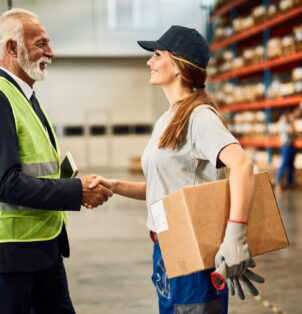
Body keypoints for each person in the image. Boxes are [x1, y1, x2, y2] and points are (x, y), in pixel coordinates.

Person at [88, 25, 264, 313]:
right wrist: (116, 186)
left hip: (192, 245)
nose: (149, 61)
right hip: (166, 245)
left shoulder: (199, 117)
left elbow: (242, 165)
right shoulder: (169, 118)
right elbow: (167, 186)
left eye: (157, 55)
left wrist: (236, 235)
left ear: (180, 67)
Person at [0, 8, 113, 314]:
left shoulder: (25, 95)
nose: (50, 51)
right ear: (12, 48)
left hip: (43, 247)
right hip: (14, 257)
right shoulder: (2, 97)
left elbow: (35, 167)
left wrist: (71, 183)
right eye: (41, 44)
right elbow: (5, 183)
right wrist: (76, 191)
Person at [275, 105, 302, 194]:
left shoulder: (287, 122)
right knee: (284, 164)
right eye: (287, 113)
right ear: (284, 114)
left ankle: (291, 183)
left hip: (291, 146)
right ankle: (278, 184)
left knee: (291, 165)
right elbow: (291, 130)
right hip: (285, 146)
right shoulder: (282, 123)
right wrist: (292, 121)